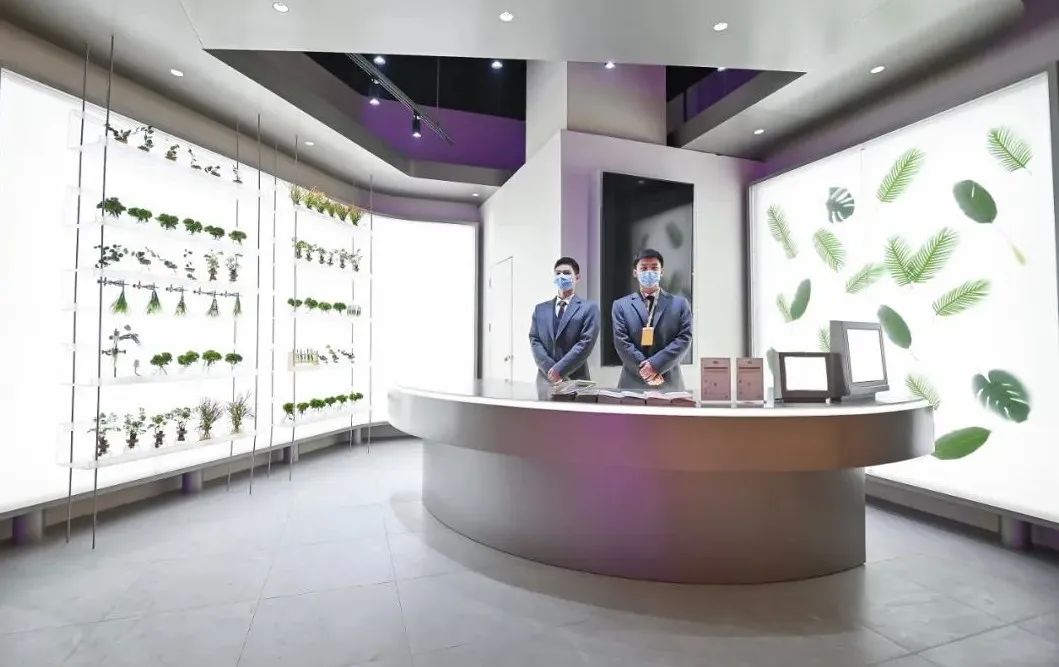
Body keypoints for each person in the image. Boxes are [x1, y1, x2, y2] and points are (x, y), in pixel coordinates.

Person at [612, 248, 693, 390]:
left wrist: (655, 365)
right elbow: (621, 342)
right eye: (643, 268)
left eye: (654, 268)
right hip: (632, 383)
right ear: (635, 273)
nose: (649, 272)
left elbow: (684, 339)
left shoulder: (680, 304)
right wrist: (645, 369)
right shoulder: (621, 305)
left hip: (668, 382)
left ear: (661, 272)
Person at [529, 257, 600, 393]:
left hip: (576, 379)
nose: (561, 276)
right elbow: (535, 340)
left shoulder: (589, 308)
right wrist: (551, 370)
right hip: (545, 380)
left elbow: (585, 343)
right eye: (558, 273)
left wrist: (559, 370)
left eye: (567, 273)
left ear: (577, 277)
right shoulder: (540, 309)